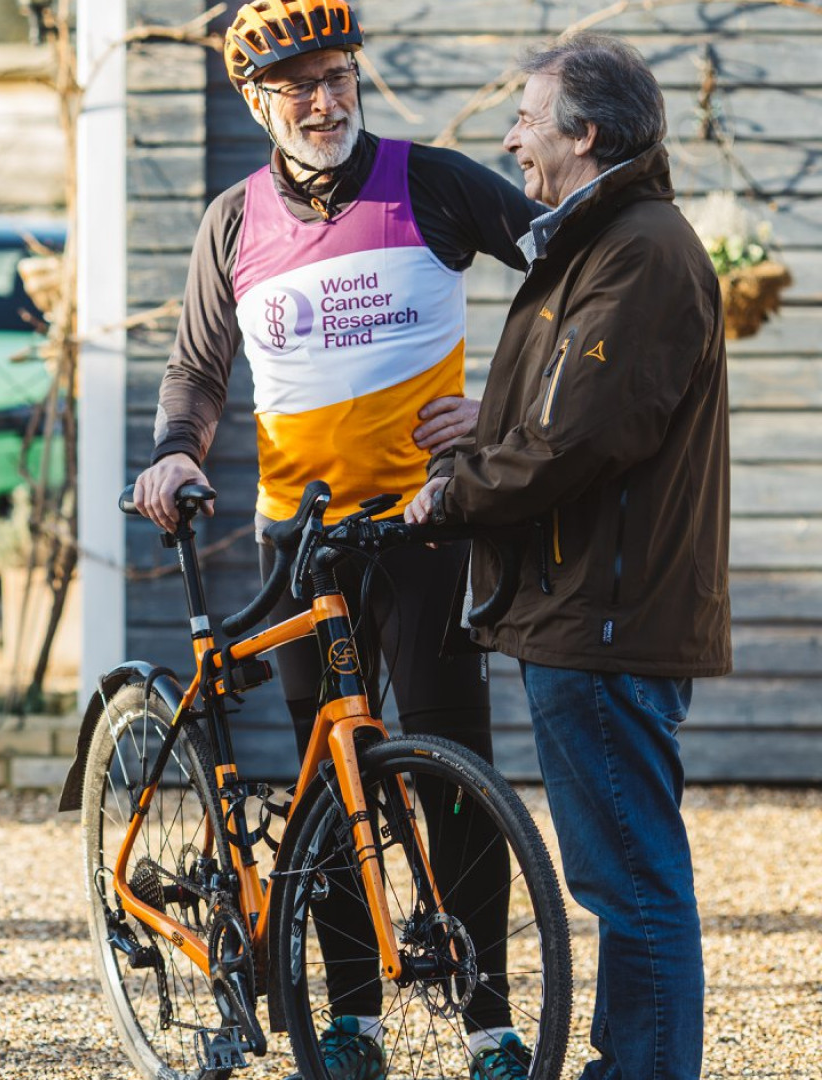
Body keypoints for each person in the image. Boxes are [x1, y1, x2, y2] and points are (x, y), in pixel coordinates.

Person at [132, 2, 544, 1077]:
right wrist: (177, 450)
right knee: (330, 778)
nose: (325, 100)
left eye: (338, 75)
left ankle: (490, 1019)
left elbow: (570, 280)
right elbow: (197, 368)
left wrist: (501, 405)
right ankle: (351, 1017)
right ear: (256, 99)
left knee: (453, 767)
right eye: (298, 84)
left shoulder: (435, 179)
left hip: (422, 527)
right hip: (299, 544)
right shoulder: (232, 223)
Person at [408, 33, 728, 1080]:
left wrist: (455, 493)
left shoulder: (636, 249)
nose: (510, 137)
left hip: (601, 613)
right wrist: (483, 421)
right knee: (625, 873)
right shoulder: (598, 243)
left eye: (527, 117)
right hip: (586, 607)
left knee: (629, 880)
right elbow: (561, 409)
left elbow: (583, 439)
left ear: (585, 134)